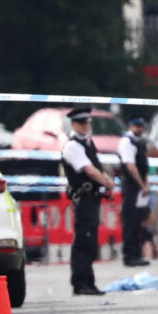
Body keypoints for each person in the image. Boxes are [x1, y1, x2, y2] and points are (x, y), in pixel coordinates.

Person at [60, 107, 115, 296]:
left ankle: (88, 282)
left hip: (92, 199)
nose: (86, 126)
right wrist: (107, 182)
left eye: (87, 123)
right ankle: (80, 283)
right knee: (83, 241)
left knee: (90, 241)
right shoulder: (73, 146)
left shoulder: (87, 143)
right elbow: (89, 171)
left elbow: (95, 167)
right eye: (82, 123)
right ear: (73, 124)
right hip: (83, 199)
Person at [117, 116, 151, 267]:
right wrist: (142, 185)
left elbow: (144, 167)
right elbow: (130, 166)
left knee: (138, 222)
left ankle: (136, 254)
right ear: (130, 126)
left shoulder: (140, 142)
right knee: (130, 221)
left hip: (139, 186)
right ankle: (129, 255)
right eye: (137, 126)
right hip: (131, 186)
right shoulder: (127, 142)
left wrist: (146, 184)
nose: (140, 129)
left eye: (141, 127)